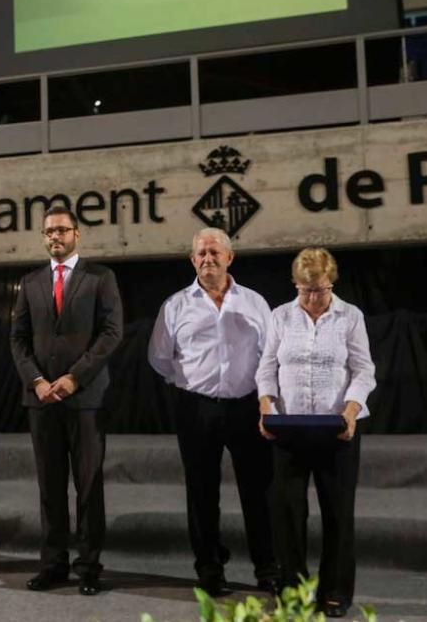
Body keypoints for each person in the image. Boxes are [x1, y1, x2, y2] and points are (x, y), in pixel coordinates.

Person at [147, 227, 279, 596]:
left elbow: (270, 355)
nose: (208, 259)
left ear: (229, 257)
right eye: (201, 253)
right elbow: (160, 358)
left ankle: (267, 568)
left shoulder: (255, 303)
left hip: (247, 407)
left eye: (214, 253)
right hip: (196, 408)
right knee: (201, 492)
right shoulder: (175, 306)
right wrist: (191, 383)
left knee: (259, 492)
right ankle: (209, 568)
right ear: (192, 260)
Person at [255, 247, 375, 619]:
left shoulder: (349, 316)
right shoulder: (280, 317)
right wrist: (265, 407)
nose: (312, 298)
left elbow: (364, 370)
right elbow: (265, 369)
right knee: (287, 513)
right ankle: (293, 591)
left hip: (336, 429)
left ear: (331, 283)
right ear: (295, 284)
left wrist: (351, 410)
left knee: (338, 514)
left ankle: (335, 592)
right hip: (289, 429)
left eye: (319, 290)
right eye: (305, 290)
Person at [10, 206, 123, 596]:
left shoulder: (100, 278)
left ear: (77, 234)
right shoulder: (31, 282)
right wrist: (37, 380)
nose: (54, 237)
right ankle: (53, 563)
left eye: (61, 230)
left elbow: (111, 333)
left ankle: (89, 566)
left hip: (86, 398)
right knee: (50, 487)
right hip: (42, 401)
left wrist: (75, 377)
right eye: (48, 232)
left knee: (88, 485)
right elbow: (18, 339)